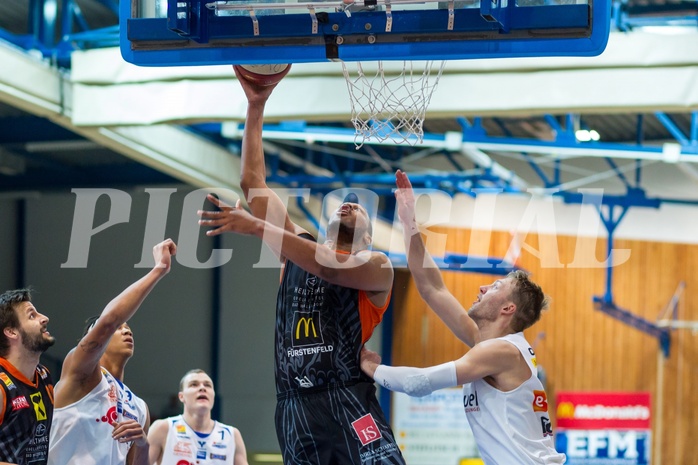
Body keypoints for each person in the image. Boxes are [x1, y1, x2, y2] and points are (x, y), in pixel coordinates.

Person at [197, 70, 406, 465]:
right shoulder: (298, 248)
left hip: (347, 397)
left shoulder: (377, 267)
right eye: (342, 203)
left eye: (359, 209)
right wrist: (255, 106)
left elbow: (330, 270)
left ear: (367, 239)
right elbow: (252, 182)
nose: (348, 203)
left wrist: (259, 228)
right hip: (295, 407)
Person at [359, 169, 565, 465]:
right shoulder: (489, 344)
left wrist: (370, 366)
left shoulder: (501, 351)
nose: (483, 287)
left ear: (508, 309)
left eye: (495, 286)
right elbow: (431, 287)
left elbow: (421, 382)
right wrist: (409, 222)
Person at [47, 239, 177, 465]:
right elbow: (108, 322)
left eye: (128, 328)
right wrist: (158, 270)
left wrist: (143, 442)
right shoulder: (81, 373)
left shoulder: (139, 407)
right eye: (119, 328)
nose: (126, 330)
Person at [0, 289, 55, 465]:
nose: (44, 318)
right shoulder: (1, 386)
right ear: (11, 332)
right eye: (32, 316)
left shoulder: (44, 376)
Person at [147, 369, 249, 465]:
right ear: (181, 397)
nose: (202, 388)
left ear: (213, 395)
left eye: (207, 385)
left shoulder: (231, 435)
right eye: (194, 384)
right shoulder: (163, 428)